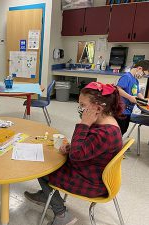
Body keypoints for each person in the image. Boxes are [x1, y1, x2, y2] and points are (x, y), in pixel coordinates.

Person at [24, 82, 123, 225]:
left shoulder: (104, 132)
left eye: (83, 105)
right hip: (93, 172)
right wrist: (73, 147)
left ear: (98, 108)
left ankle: (61, 214)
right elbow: (89, 148)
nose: (80, 109)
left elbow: (76, 156)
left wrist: (84, 124)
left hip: (92, 183)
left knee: (42, 170)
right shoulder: (107, 121)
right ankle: (47, 196)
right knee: (48, 163)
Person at [116, 60, 149, 135]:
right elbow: (118, 89)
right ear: (139, 68)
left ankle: (118, 144)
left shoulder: (135, 80)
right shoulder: (127, 77)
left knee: (124, 129)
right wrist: (129, 97)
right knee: (119, 130)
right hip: (121, 110)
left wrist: (143, 100)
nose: (143, 76)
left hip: (128, 111)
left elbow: (137, 92)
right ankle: (114, 145)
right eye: (144, 73)